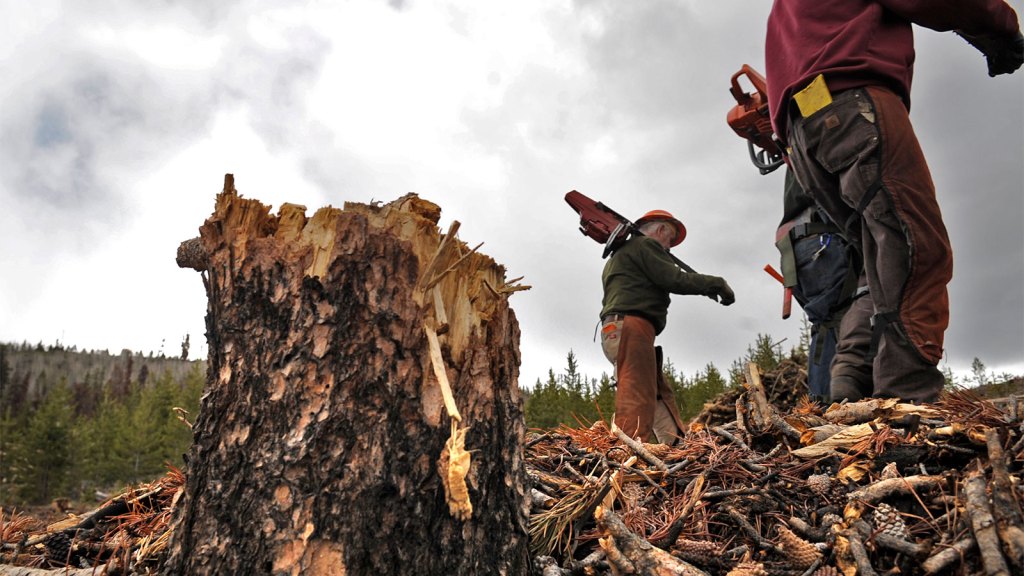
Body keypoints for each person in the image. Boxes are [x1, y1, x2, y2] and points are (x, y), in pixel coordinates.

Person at [765, 0, 1023, 404]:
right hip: (850, 102)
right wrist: (1001, 27)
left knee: (878, 263)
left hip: (803, 133)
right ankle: (908, 397)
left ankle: (849, 388)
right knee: (914, 245)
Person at [599, 210, 735, 444]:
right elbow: (675, 279)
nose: (670, 248)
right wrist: (717, 283)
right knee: (637, 394)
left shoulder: (620, 255)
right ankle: (626, 452)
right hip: (633, 326)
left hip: (617, 329)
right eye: (670, 239)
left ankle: (675, 447)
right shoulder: (645, 246)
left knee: (656, 392)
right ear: (660, 230)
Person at [775, 168, 861, 403]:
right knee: (840, 318)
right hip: (822, 240)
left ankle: (820, 403)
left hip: (798, 250)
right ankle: (831, 403)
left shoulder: (793, 144)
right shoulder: (818, 139)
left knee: (824, 323)